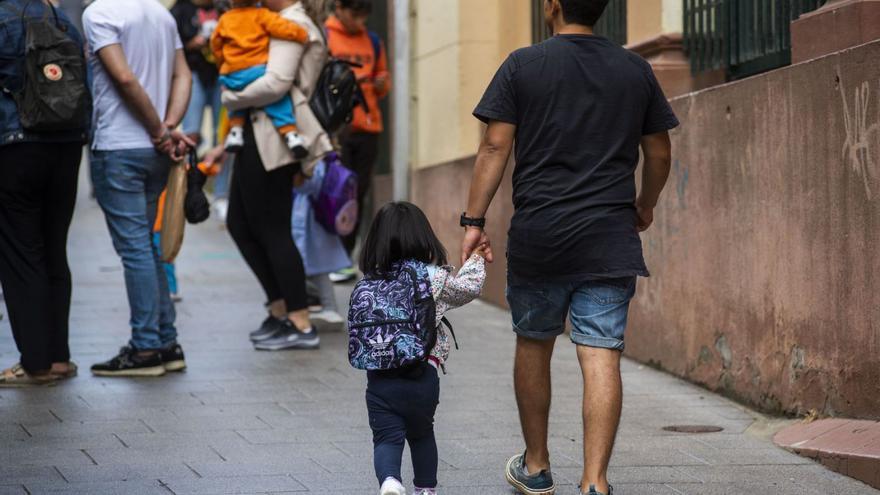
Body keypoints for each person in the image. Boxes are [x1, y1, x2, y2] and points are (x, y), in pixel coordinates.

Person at [461, 1, 679, 494]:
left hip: (541, 235)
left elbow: (494, 147)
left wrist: (473, 221)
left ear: (554, 5)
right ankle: (595, 481)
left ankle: (536, 467)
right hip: (609, 236)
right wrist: (645, 205)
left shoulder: (523, 64)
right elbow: (660, 151)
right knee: (601, 352)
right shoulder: (634, 68)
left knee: (534, 343)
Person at [83, 0, 194, 377]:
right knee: (146, 245)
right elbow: (184, 76)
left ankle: (146, 347)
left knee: (136, 249)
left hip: (120, 147)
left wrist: (159, 130)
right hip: (153, 151)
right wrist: (169, 124)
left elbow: (124, 78)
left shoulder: (100, 13)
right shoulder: (160, 14)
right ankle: (166, 342)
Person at [219, 0, 333, 349]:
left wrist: (230, 95)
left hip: (275, 138)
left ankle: (300, 322)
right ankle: (281, 308)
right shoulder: (277, 20)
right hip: (259, 134)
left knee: (272, 230)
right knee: (241, 224)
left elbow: (277, 83)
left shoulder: (291, 23)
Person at [355, 202, 486, 495]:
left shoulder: (370, 282)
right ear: (424, 237)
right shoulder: (431, 277)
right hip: (422, 376)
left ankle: (389, 480)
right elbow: (468, 288)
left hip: (380, 379)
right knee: (422, 434)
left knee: (387, 438)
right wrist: (476, 260)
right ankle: (426, 490)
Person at [0, 0, 89, 387]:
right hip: (65, 144)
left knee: (22, 254)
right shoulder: (61, 18)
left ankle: (35, 362)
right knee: (54, 247)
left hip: (16, 144)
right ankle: (58, 358)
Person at [325, 0, 390, 281]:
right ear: (339, 8)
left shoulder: (373, 41)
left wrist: (379, 83)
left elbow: (384, 82)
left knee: (357, 195)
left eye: (364, 17)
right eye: (354, 15)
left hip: (368, 126)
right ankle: (331, 257)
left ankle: (345, 258)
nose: (359, 23)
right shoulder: (325, 34)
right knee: (335, 192)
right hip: (338, 128)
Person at [210, 0, 310, 156]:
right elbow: (282, 28)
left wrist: (222, 64)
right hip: (256, 70)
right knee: (278, 100)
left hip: (232, 74)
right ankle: (290, 134)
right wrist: (302, 35)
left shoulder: (225, 20)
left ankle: (235, 132)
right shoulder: (262, 15)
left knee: (237, 102)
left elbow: (215, 45)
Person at [290, 158, 351, 326]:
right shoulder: (325, 159)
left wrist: (295, 176)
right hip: (313, 221)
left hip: (311, 221)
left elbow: (308, 185)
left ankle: (326, 307)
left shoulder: (315, 162)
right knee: (315, 269)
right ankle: (323, 306)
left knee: (315, 269)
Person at [170, 0, 221, 148]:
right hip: (191, 73)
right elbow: (171, 46)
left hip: (221, 75)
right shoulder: (180, 9)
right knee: (191, 132)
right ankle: (190, 168)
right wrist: (190, 44)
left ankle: (218, 169)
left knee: (223, 132)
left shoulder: (223, 7)